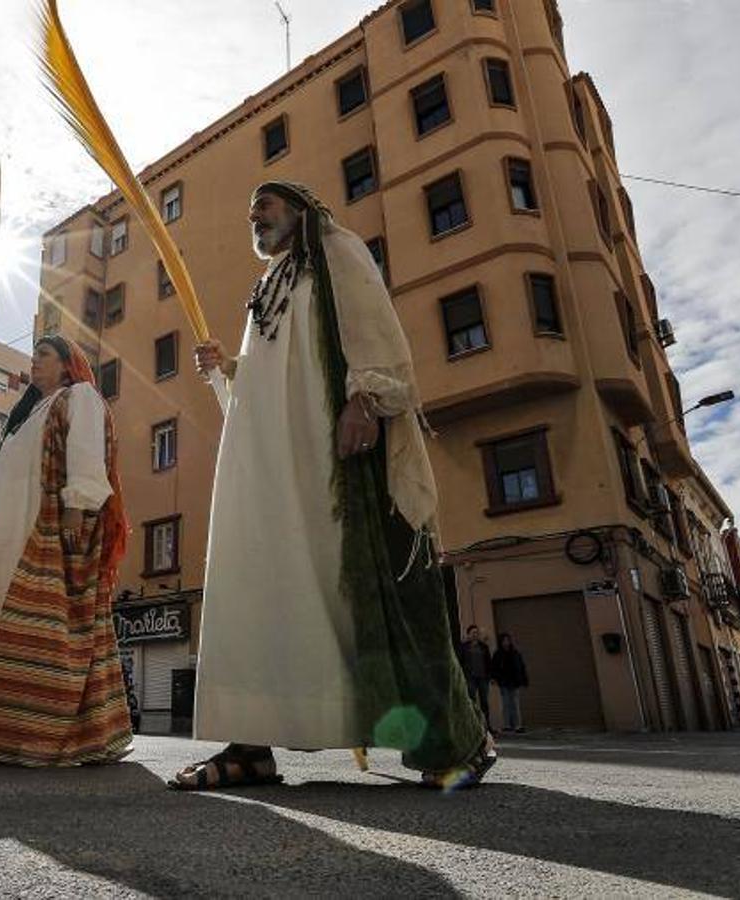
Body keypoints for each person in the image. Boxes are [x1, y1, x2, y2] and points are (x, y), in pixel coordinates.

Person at [174, 181, 495, 792]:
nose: (254, 215)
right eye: (251, 209)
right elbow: (276, 378)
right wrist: (229, 368)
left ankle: (460, 740)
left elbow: (373, 330)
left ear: (300, 209)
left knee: (374, 591)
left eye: (263, 205)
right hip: (272, 467)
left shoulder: (337, 251)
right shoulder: (267, 286)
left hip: (333, 461)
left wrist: (365, 401)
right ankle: (251, 747)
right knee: (264, 591)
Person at [0, 335, 132, 766]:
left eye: (44, 355)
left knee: (30, 626)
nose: (34, 362)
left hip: (38, 527)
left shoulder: (80, 396)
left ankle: (33, 730)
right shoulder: (29, 415)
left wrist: (76, 509)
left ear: (67, 364)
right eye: (34, 354)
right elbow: (6, 472)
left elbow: (87, 452)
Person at [491, 633, 528, 734]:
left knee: (515, 704)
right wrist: (494, 678)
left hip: (514, 681)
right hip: (503, 682)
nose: (506, 642)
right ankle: (507, 725)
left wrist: (524, 680)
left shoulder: (515, 653)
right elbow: (493, 668)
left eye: (508, 640)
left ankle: (517, 725)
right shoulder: (497, 654)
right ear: (501, 642)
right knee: (506, 703)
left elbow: (521, 666)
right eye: (504, 640)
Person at [458, 626, 493, 729]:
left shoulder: (483, 647)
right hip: (470, 677)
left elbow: (488, 662)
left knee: (484, 702)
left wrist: (490, 676)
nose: (475, 635)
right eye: (473, 633)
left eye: (477, 633)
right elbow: (460, 661)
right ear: (468, 634)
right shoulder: (464, 647)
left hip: (483, 678)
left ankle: (486, 725)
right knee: (472, 701)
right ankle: (474, 726)